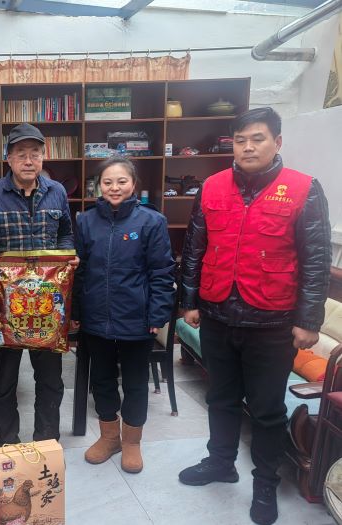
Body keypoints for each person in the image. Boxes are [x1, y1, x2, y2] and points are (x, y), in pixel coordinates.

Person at [177, 107, 331, 525]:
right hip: (217, 314)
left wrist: (309, 321)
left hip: (273, 321)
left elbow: (316, 260)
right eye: (240, 140)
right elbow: (194, 247)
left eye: (257, 138)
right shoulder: (211, 187)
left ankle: (265, 482)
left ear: (276, 142)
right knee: (220, 398)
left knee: (266, 409)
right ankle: (220, 462)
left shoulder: (303, 189)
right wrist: (189, 301)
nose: (247, 147)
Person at [0, 123, 77, 447]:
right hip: (6, 308)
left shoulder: (57, 192)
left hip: (47, 307)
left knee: (51, 380)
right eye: (21, 154)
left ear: (44, 156)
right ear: (9, 158)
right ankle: (7, 446)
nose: (28, 161)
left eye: (35, 153)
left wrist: (67, 259)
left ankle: (47, 443)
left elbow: (65, 234)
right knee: (4, 382)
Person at [72, 157, 174, 473]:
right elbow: (79, 272)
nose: (114, 187)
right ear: (98, 186)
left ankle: (131, 442)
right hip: (95, 317)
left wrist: (157, 314)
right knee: (101, 380)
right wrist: (76, 312)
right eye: (107, 182)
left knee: (135, 382)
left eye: (121, 181)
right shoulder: (86, 221)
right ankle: (109, 438)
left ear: (133, 184)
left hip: (136, 318)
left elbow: (161, 272)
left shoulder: (151, 221)